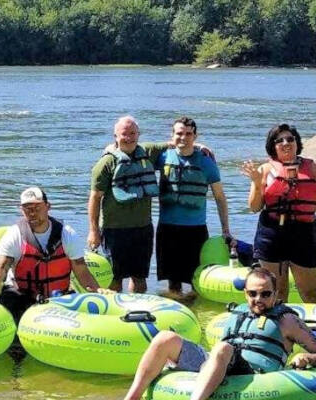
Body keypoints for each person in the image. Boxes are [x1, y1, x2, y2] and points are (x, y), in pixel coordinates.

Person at [124, 268, 316, 400]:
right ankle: (131, 397)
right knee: (165, 338)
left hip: (252, 375)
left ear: (275, 294)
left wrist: (307, 357)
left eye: (266, 294)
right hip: (217, 363)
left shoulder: (288, 321)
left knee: (223, 348)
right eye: (252, 294)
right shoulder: (239, 311)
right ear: (245, 294)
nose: (258, 299)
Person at [0, 186, 106, 323]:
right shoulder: (14, 235)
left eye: (37, 208)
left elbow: (81, 271)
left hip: (58, 297)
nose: (32, 213)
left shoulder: (67, 234)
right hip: (22, 297)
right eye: (27, 209)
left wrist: (97, 291)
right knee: (8, 301)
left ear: (48, 207)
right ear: (21, 210)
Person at [88, 116, 168, 293]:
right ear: (115, 136)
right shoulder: (106, 163)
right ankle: (114, 314)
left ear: (139, 134)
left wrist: (200, 146)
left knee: (140, 277)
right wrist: (93, 231)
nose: (129, 137)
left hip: (143, 228)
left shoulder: (147, 152)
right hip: (114, 230)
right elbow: (94, 198)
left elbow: (174, 144)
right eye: (124, 134)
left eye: (133, 133)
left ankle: (136, 311)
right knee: (114, 278)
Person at [155, 117, 231, 299]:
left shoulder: (206, 162)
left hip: (195, 230)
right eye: (179, 133)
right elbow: (133, 151)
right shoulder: (163, 157)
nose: (183, 137)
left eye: (188, 134)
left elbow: (220, 197)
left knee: (197, 281)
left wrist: (225, 230)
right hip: (167, 228)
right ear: (172, 135)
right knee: (173, 283)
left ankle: (197, 315)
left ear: (195, 136)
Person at [241, 124, 316, 302]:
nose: (286, 143)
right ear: (273, 146)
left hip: (304, 233)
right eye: (279, 140)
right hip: (272, 234)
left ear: (297, 143)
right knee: (278, 292)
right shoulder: (265, 170)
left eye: (290, 139)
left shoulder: (312, 167)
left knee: (310, 293)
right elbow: (254, 207)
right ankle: (279, 328)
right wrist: (257, 182)